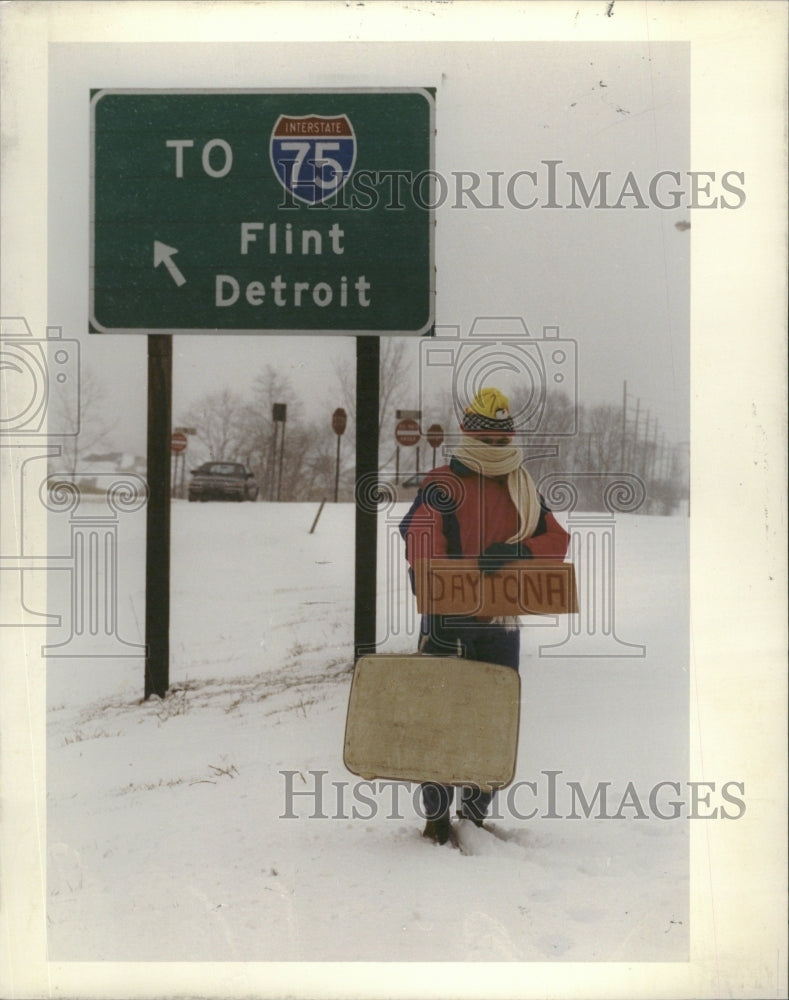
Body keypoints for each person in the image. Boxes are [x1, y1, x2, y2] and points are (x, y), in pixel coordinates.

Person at [399, 386, 570, 845]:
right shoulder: (442, 483)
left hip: (498, 622)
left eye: (502, 442)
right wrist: (434, 577)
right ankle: (437, 815)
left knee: (491, 719)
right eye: (487, 442)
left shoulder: (522, 487)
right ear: (469, 436)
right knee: (439, 717)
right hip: (447, 618)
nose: (496, 450)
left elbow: (556, 540)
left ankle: (473, 814)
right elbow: (419, 533)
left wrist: (519, 549)